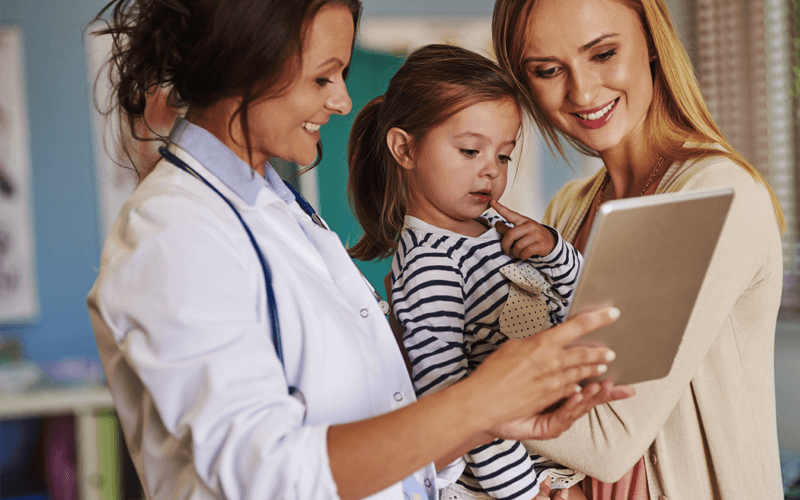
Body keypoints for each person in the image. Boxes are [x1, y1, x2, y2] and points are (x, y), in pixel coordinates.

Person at [85, 0, 632, 498]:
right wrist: (481, 400)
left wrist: (489, 419)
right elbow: (262, 476)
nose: (343, 100)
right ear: (244, 64)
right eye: (323, 76)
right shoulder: (173, 234)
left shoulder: (281, 214)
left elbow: (389, 434)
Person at [491, 0, 786, 498]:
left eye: (603, 53)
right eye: (547, 70)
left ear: (651, 40)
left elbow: (607, 441)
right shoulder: (568, 211)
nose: (582, 90)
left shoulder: (715, 192)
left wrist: (453, 392)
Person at [348, 44, 590, 500]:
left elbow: (585, 304)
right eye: (469, 150)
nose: (490, 172)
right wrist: (526, 493)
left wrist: (555, 251)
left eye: (503, 156)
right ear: (404, 148)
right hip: (505, 483)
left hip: (557, 454)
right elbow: (459, 405)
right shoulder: (428, 267)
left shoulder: (500, 227)